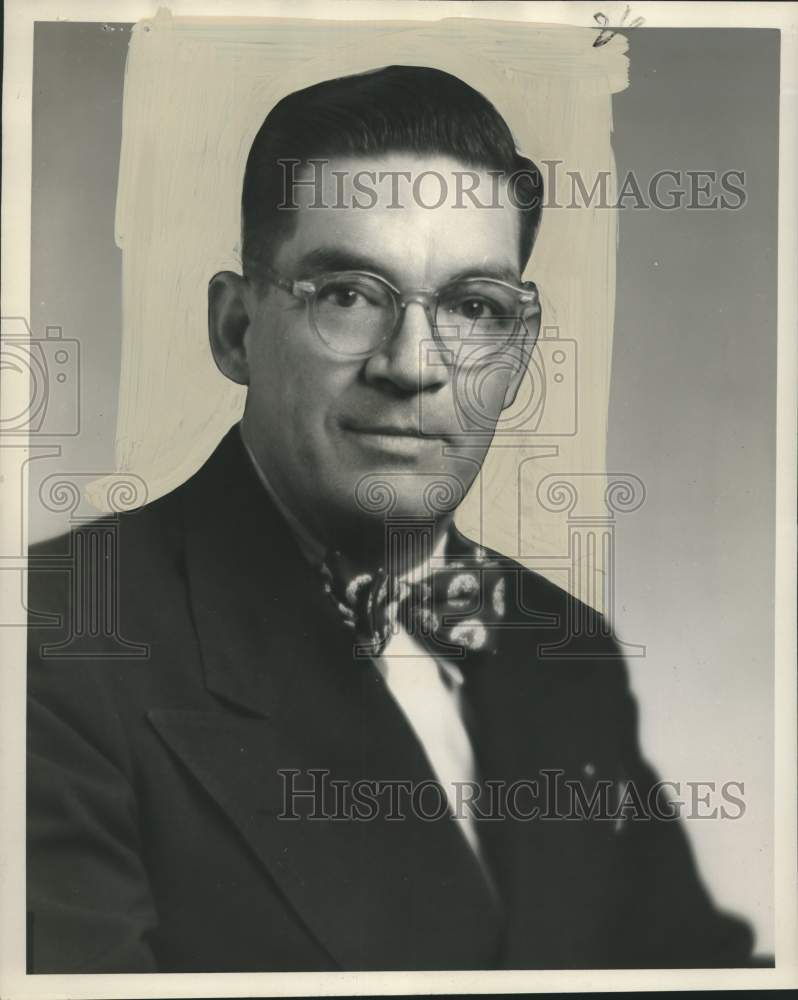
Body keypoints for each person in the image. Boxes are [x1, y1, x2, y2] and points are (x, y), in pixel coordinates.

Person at [26, 65, 754, 973]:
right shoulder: (58, 637)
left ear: (518, 355)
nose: (414, 366)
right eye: (349, 295)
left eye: (474, 307)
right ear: (235, 329)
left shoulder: (562, 648)